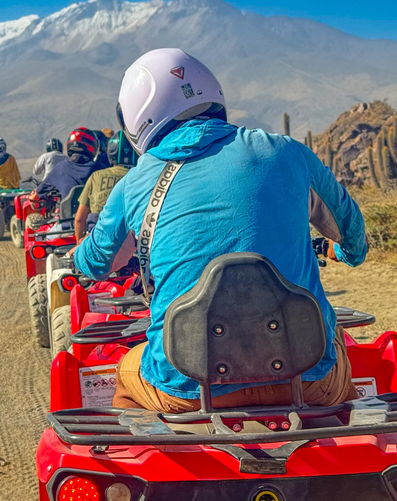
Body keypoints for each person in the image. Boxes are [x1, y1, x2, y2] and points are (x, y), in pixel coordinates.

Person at [71, 48, 366, 413]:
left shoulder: (134, 184)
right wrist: (346, 252)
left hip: (188, 388)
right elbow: (353, 235)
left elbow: (97, 263)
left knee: (128, 376)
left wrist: (78, 255)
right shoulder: (288, 153)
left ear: (136, 117)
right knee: (333, 337)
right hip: (306, 380)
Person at [74, 130, 137, 243]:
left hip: (97, 239)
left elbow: (79, 219)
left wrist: (79, 245)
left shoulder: (96, 176)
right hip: (131, 240)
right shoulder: (140, 177)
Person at [28, 127, 105, 202]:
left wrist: (34, 195)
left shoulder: (60, 168)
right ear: (92, 146)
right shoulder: (101, 169)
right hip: (93, 214)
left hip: (68, 214)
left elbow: (36, 195)